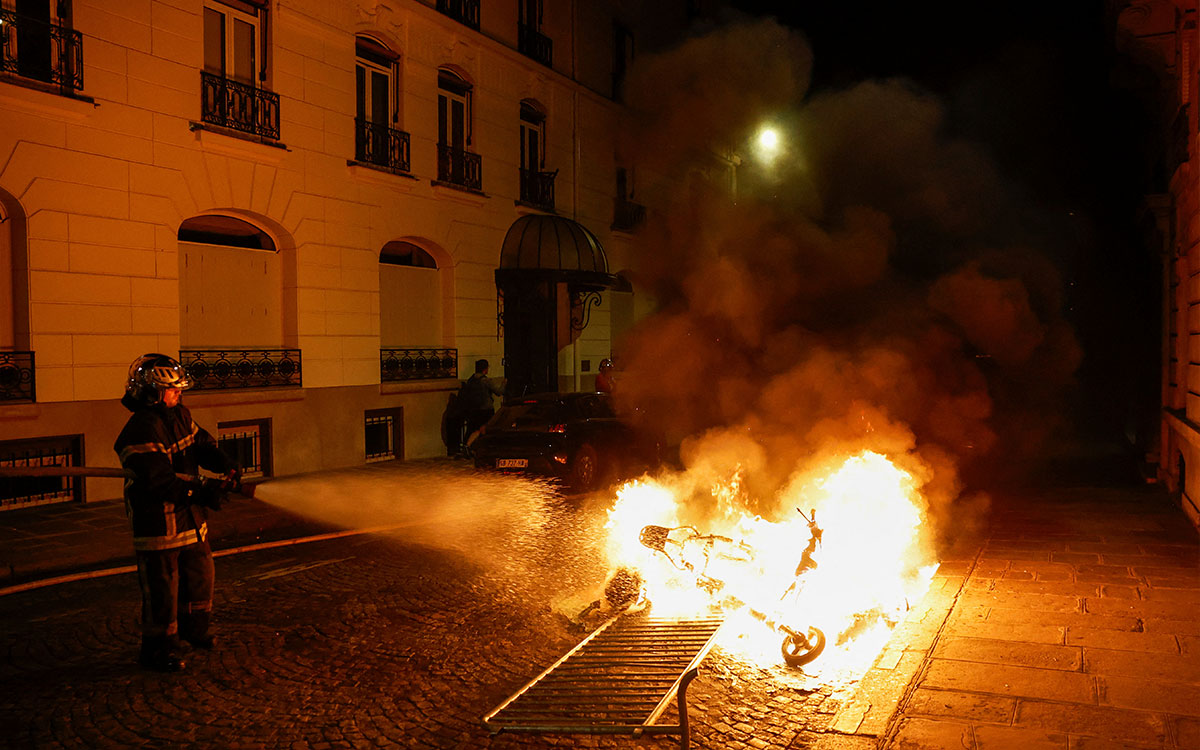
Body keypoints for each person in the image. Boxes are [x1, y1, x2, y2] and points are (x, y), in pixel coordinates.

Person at [113, 353, 237, 673]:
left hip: (189, 518)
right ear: (153, 392)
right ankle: (157, 648)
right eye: (173, 390)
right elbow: (158, 480)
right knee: (161, 588)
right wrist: (202, 492)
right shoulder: (140, 429)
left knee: (200, 575)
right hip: (157, 520)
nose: (179, 394)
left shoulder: (179, 415)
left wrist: (225, 463)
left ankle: (194, 631)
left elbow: (200, 444)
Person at [461, 358, 506, 453]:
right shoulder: (485, 380)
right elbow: (499, 392)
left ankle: (467, 445)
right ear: (485, 369)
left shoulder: (471, 379)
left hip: (474, 408)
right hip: (486, 409)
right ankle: (485, 448)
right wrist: (504, 383)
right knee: (487, 428)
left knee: (474, 428)